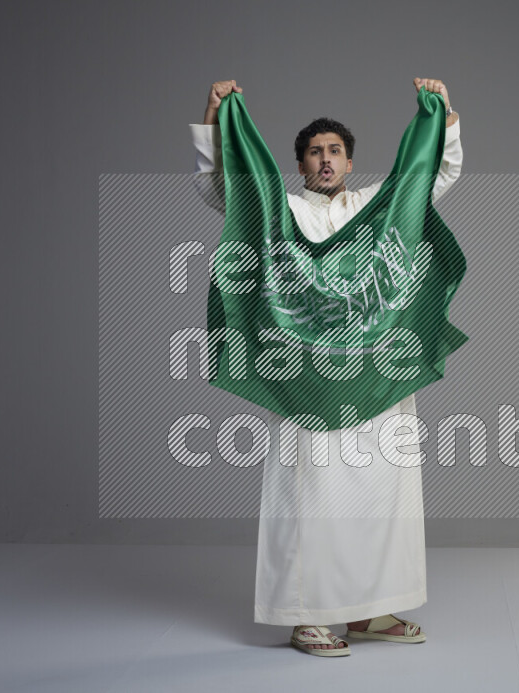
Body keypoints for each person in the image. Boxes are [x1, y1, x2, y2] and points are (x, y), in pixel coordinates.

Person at [189, 78, 462, 656]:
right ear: (300, 164)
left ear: (350, 160)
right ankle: (305, 615)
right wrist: (215, 120)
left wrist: (445, 119)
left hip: (378, 375)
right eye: (315, 152)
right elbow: (224, 189)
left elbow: (432, 180)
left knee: (382, 496)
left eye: (334, 150)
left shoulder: (376, 210)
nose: (325, 159)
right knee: (308, 497)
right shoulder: (280, 212)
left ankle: (370, 613)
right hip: (303, 379)